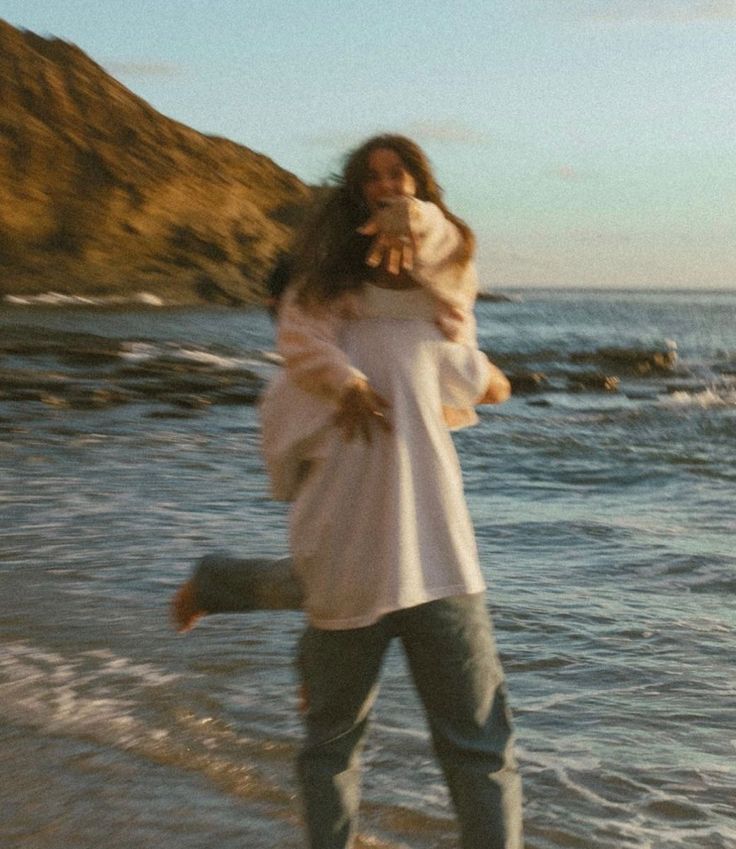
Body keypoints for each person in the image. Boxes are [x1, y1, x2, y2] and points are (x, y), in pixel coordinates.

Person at [172, 134, 523, 849]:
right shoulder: (319, 376)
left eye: (403, 179)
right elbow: (489, 382)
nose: (390, 190)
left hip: (434, 563)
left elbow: (286, 482)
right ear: (353, 205)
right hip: (364, 568)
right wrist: (354, 392)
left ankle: (214, 581)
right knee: (400, 744)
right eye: (375, 180)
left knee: (454, 743)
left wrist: (416, 219)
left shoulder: (429, 335)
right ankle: (219, 583)